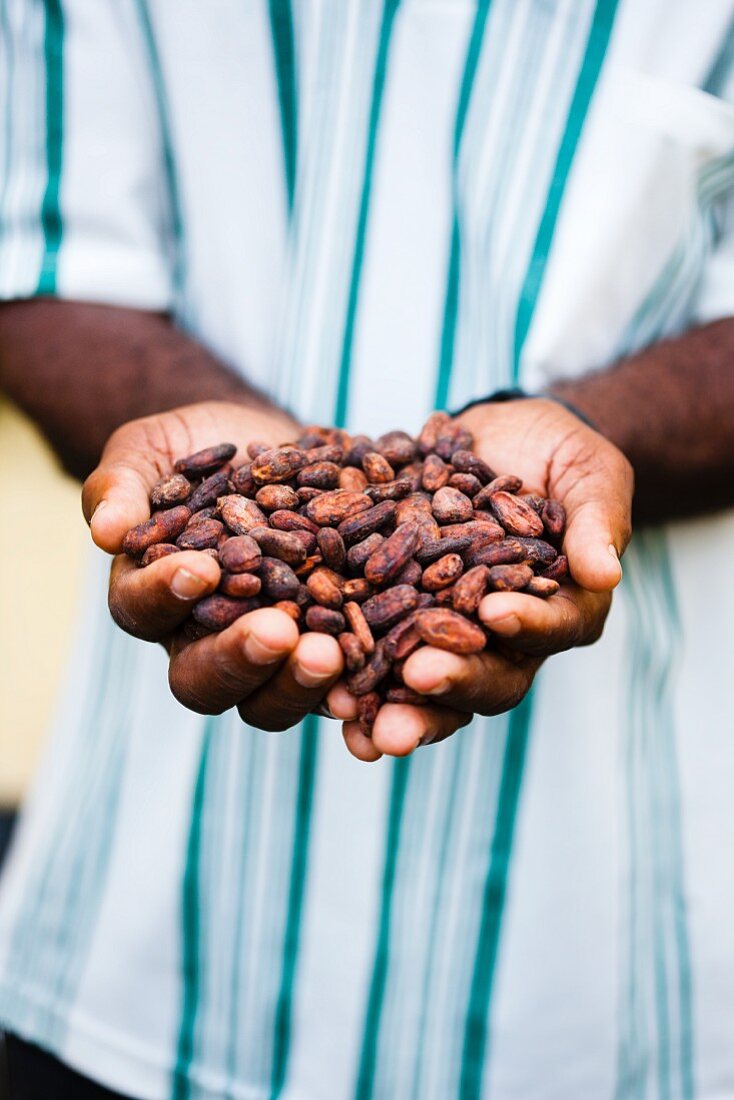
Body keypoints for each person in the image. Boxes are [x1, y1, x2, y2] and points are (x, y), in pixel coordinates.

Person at [0, 2, 732, 1097]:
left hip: (605, 978)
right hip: (137, 946)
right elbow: (39, 248)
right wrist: (240, 481)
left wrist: (585, 443)